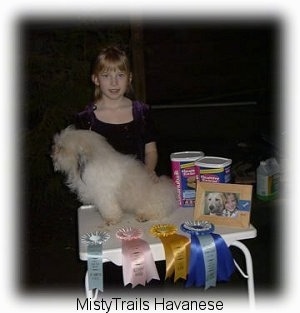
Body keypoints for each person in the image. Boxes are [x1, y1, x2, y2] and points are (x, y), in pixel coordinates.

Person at [75, 46, 158, 178]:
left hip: (138, 186)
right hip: (102, 190)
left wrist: (147, 172)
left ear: (129, 78)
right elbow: (81, 162)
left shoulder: (142, 112)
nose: (114, 82)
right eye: (106, 76)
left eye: (120, 75)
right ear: (96, 79)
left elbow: (151, 151)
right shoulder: (85, 119)